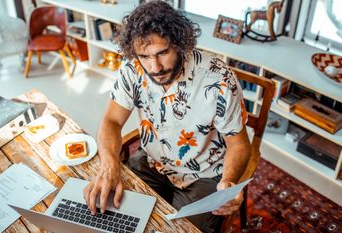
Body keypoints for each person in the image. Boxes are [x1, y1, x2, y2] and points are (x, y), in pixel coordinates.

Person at [83, 1, 251, 232]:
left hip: (203, 174)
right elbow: (111, 120)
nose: (155, 67)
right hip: (152, 162)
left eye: (163, 53)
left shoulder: (219, 80)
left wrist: (229, 180)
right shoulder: (132, 70)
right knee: (111, 214)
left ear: (179, 43)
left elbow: (239, 143)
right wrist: (109, 166)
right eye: (145, 56)